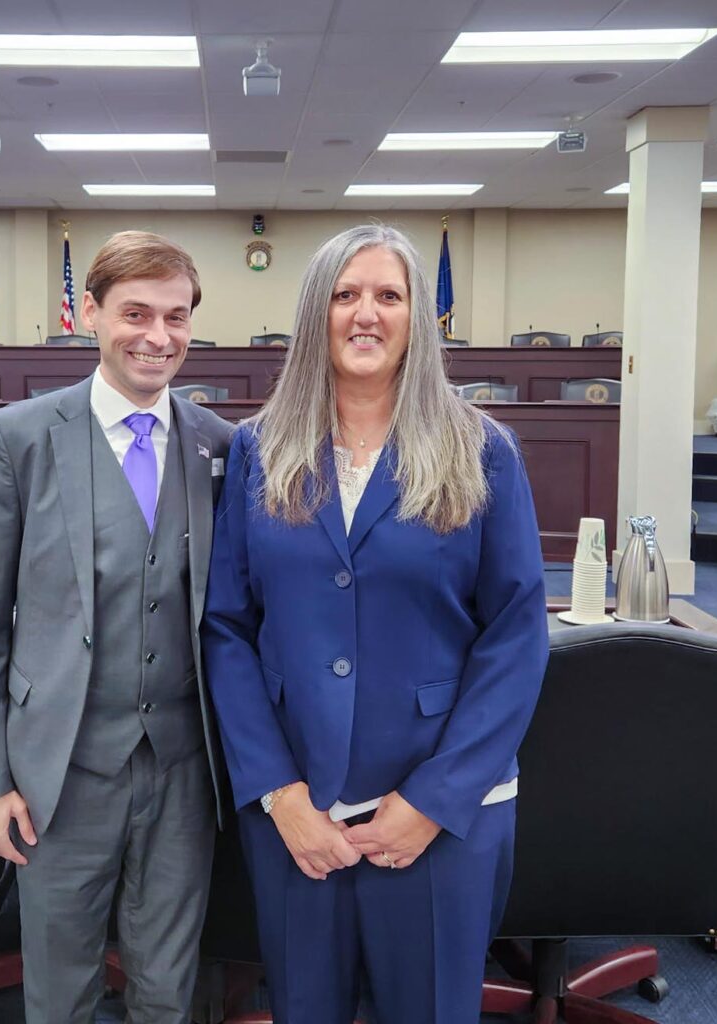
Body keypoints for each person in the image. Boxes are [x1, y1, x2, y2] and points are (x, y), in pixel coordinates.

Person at [202, 224, 549, 1023]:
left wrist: (433, 798)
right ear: (315, 313)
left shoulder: (482, 449)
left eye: (388, 296)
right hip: (298, 806)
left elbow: (515, 633)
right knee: (305, 1008)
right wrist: (279, 794)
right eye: (345, 294)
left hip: (441, 806)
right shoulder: (260, 448)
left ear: (417, 319)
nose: (366, 314)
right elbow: (227, 627)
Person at [0, 230, 234, 1024]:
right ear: (90, 315)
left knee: (167, 986)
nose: (158, 336)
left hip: (183, 768)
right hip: (60, 774)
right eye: (136, 313)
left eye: (176, 317)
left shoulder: (221, 446)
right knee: (61, 985)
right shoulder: (18, 439)